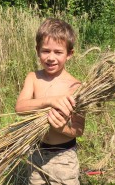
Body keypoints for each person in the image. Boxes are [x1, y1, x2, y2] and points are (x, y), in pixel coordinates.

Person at [15, 18, 85, 185]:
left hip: (63, 158)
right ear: (37, 50)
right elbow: (20, 107)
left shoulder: (75, 87)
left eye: (58, 52)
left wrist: (61, 128)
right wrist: (50, 101)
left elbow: (79, 130)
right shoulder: (33, 78)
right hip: (36, 153)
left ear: (69, 54)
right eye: (45, 51)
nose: (51, 57)